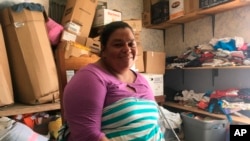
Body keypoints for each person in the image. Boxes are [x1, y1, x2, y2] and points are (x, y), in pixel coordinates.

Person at [62, 21, 164, 141]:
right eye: (118, 44)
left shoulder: (141, 79)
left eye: (131, 43)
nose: (127, 49)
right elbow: (88, 135)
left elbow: (153, 124)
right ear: (103, 50)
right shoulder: (90, 78)